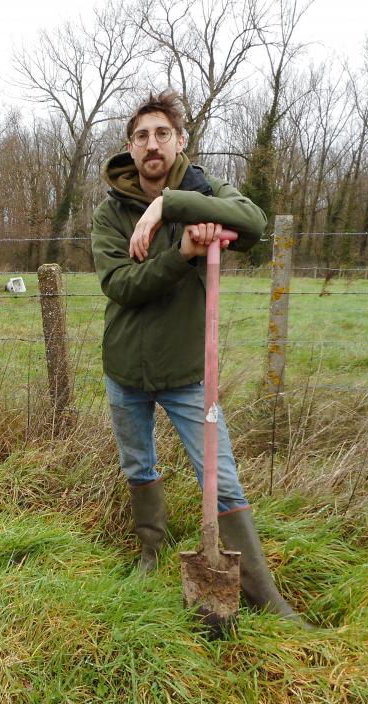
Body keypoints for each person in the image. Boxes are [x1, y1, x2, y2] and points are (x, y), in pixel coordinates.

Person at [90, 90, 309, 626]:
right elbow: (121, 285)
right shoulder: (111, 211)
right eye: (141, 136)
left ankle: (262, 593)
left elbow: (253, 223)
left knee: (222, 478)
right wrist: (184, 254)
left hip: (189, 372)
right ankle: (151, 555)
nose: (152, 144)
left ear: (180, 140)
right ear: (130, 147)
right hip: (126, 369)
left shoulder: (204, 189)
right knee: (138, 465)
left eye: (162, 133)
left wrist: (172, 204)